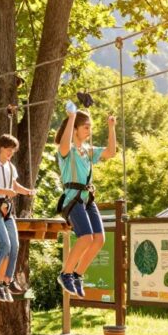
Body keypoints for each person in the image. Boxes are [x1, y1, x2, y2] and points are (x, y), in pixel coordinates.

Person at [54, 100, 117, 298]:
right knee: (85, 237)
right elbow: (64, 144)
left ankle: (78, 274)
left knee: (99, 239)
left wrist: (111, 128)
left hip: (87, 198)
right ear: (76, 129)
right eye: (86, 127)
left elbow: (110, 152)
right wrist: (71, 117)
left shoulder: (87, 151)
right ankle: (65, 274)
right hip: (72, 199)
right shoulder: (66, 151)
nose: (89, 130)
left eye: (90, 127)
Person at [0, 134, 35, 302]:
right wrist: (6, 192)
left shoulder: (11, 167)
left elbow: (13, 185)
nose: (10, 152)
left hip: (7, 210)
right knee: (5, 244)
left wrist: (27, 191)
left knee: (15, 246)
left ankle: (6, 281)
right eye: (8, 149)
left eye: (13, 150)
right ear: (1, 148)